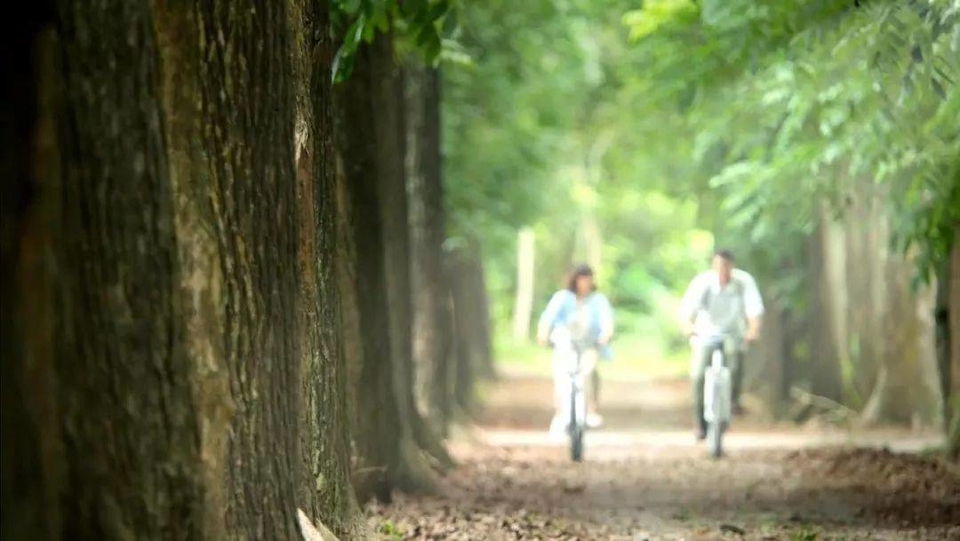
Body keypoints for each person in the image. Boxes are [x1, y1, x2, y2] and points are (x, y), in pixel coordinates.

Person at [679, 249, 763, 441]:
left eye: (725, 266)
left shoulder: (744, 282)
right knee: (699, 374)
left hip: (733, 333)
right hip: (705, 333)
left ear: (732, 267)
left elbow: (754, 309)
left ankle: (734, 400)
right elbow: (688, 309)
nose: (721, 271)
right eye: (718, 266)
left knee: (735, 357)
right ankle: (699, 422)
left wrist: (753, 330)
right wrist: (688, 326)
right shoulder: (703, 282)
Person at [537, 264, 614, 437]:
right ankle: (561, 414)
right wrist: (543, 333)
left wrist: (606, 335)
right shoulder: (562, 298)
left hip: (590, 344)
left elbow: (607, 321)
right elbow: (548, 318)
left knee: (588, 372)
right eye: (582, 278)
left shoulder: (598, 300)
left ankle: (591, 411)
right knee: (562, 377)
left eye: (588, 279)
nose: (585, 283)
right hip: (565, 343)